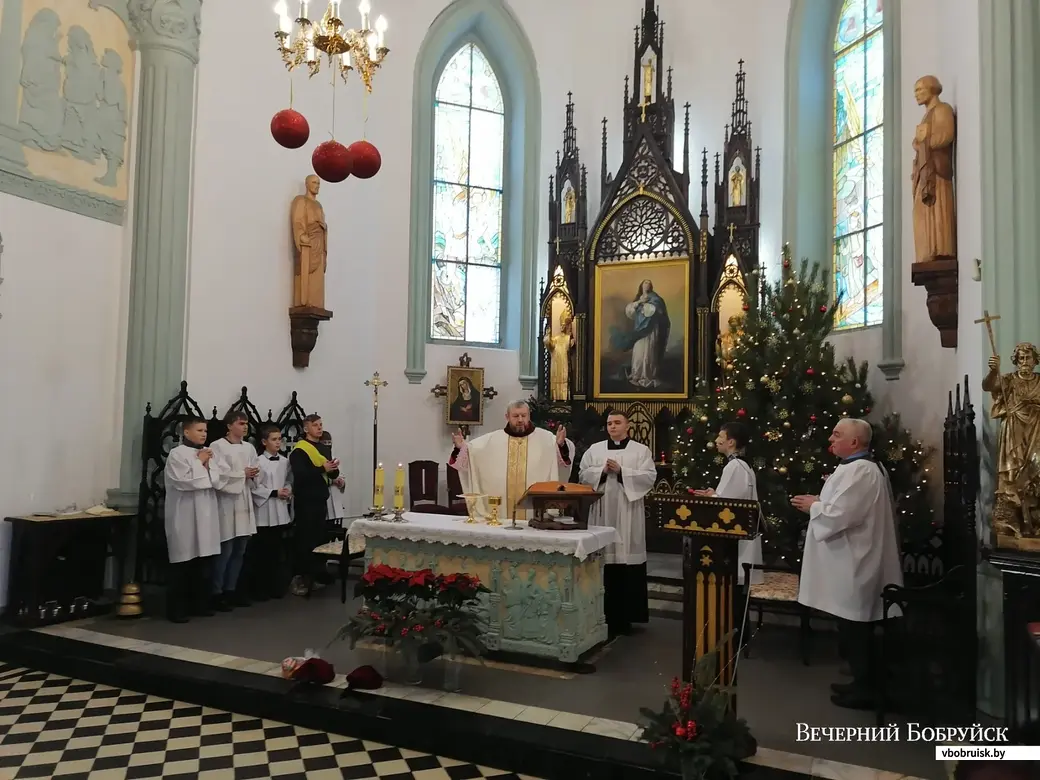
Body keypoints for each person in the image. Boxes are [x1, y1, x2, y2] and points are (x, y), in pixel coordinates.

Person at [791, 418, 903, 710]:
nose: (830, 438)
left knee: (856, 629)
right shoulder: (855, 468)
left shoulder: (862, 471)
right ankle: (860, 681)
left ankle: (867, 689)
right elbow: (842, 505)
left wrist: (813, 506)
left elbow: (841, 515)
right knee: (851, 627)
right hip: (850, 560)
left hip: (856, 562)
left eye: (837, 434)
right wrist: (819, 501)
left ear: (855, 443)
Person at [578, 411, 656, 637]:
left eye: (617, 423)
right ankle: (601, 614)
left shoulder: (641, 451)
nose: (612, 426)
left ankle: (627, 618)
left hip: (628, 511)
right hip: (602, 511)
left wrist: (622, 471)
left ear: (627, 426)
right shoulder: (595, 450)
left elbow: (649, 477)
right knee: (605, 560)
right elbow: (583, 475)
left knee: (626, 560)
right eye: (609, 423)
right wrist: (601, 471)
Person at [449, 400, 574, 521]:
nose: (520, 420)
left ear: (529, 416)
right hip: (500, 515)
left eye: (523, 416)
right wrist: (460, 448)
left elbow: (562, 462)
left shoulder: (546, 439)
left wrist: (560, 445)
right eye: (515, 416)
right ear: (507, 417)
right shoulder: (491, 440)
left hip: (535, 517)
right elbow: (470, 453)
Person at [163, 417, 221, 623]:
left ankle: (200, 604)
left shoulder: (209, 452)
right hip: (184, 514)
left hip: (205, 513)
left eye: (205, 430)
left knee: (203, 562)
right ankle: (177, 609)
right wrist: (199, 462)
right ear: (186, 432)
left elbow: (217, 480)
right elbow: (185, 482)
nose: (204, 434)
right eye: (199, 430)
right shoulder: (176, 454)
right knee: (183, 563)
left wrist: (205, 464)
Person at [691, 421, 763, 587]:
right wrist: (714, 494)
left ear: (731, 442)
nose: (716, 440)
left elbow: (728, 505)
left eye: (720, 437)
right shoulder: (742, 465)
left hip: (738, 537)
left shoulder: (735, 466)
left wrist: (713, 497)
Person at [208, 411, 259, 611]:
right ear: (229, 426)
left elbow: (255, 469)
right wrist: (241, 474)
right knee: (226, 549)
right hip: (227, 502)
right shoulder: (217, 446)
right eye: (240, 423)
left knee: (240, 549)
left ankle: (232, 589)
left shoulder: (249, 447)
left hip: (244, 500)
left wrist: (254, 474)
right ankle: (216, 592)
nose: (245, 427)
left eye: (246, 424)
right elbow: (217, 474)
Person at [289, 414, 339, 596]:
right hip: (306, 501)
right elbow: (301, 475)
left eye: (320, 424)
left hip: (320, 500)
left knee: (319, 540)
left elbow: (330, 474)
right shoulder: (300, 450)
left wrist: (333, 469)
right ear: (306, 428)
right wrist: (322, 469)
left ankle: (316, 575)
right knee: (305, 540)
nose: (319, 428)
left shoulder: (323, 448)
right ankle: (301, 578)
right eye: (315, 425)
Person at [248, 425, 292, 600]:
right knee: (262, 554)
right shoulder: (258, 461)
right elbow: (253, 487)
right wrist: (273, 492)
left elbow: (289, 480)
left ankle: (276, 587)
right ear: (264, 442)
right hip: (264, 512)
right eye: (274, 439)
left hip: (280, 511)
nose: (278, 442)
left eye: (279, 439)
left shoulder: (285, 461)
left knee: (277, 553)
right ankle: (260, 589)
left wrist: (287, 490)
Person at [319, 431, 348, 523]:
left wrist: (341, 482)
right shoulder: (316, 459)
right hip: (321, 500)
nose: (327, 445)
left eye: (329, 442)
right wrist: (332, 481)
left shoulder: (335, 459)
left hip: (334, 501)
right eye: (324, 443)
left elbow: (342, 476)